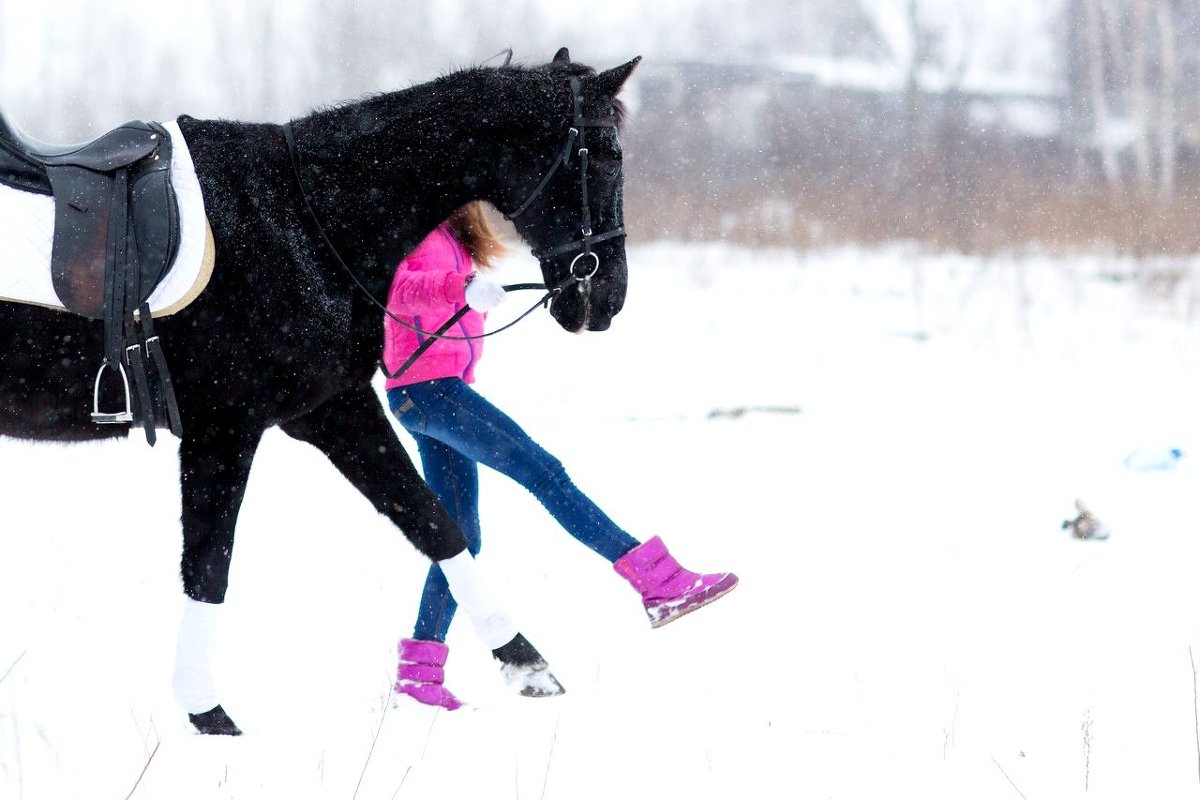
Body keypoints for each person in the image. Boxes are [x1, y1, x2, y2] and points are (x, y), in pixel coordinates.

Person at [383, 202, 737, 709]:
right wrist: (457, 289)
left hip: (437, 388)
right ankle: (656, 581)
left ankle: (420, 674)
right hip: (429, 388)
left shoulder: (450, 225)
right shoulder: (408, 222)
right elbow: (396, 289)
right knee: (545, 473)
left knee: (461, 537)